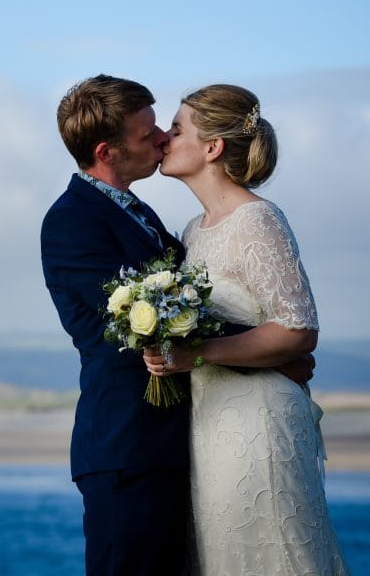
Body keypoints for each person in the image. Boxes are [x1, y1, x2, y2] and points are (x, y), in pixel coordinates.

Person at [41, 75, 315, 576]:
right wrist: (278, 351)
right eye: (149, 135)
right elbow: (134, 327)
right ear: (107, 151)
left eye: (165, 128)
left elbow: (187, 310)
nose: (162, 140)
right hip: (129, 446)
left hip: (190, 438)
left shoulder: (142, 214)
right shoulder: (72, 222)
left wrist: (277, 346)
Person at [144, 84, 350, 575]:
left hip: (258, 420)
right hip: (209, 421)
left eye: (175, 129)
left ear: (212, 148)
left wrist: (197, 354)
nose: (163, 140)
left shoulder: (258, 220)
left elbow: (299, 329)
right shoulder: (195, 230)